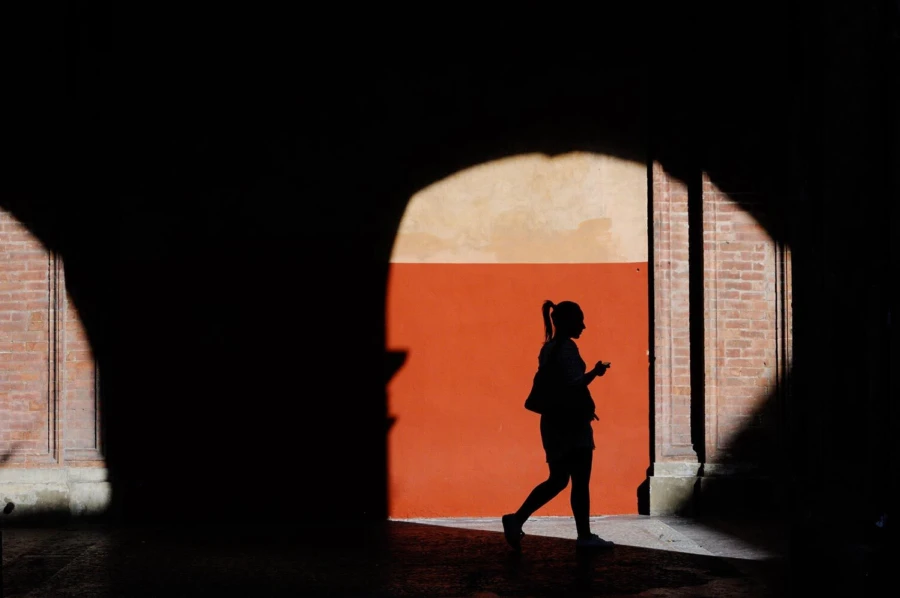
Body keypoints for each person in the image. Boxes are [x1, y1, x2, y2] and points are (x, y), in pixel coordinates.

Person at [502, 300, 614, 551]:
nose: (583, 326)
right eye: (579, 320)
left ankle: (517, 519)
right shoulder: (567, 348)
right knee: (579, 481)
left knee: (558, 479)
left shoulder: (549, 348)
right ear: (566, 322)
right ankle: (584, 536)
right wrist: (594, 373)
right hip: (571, 423)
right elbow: (574, 385)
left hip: (553, 422)